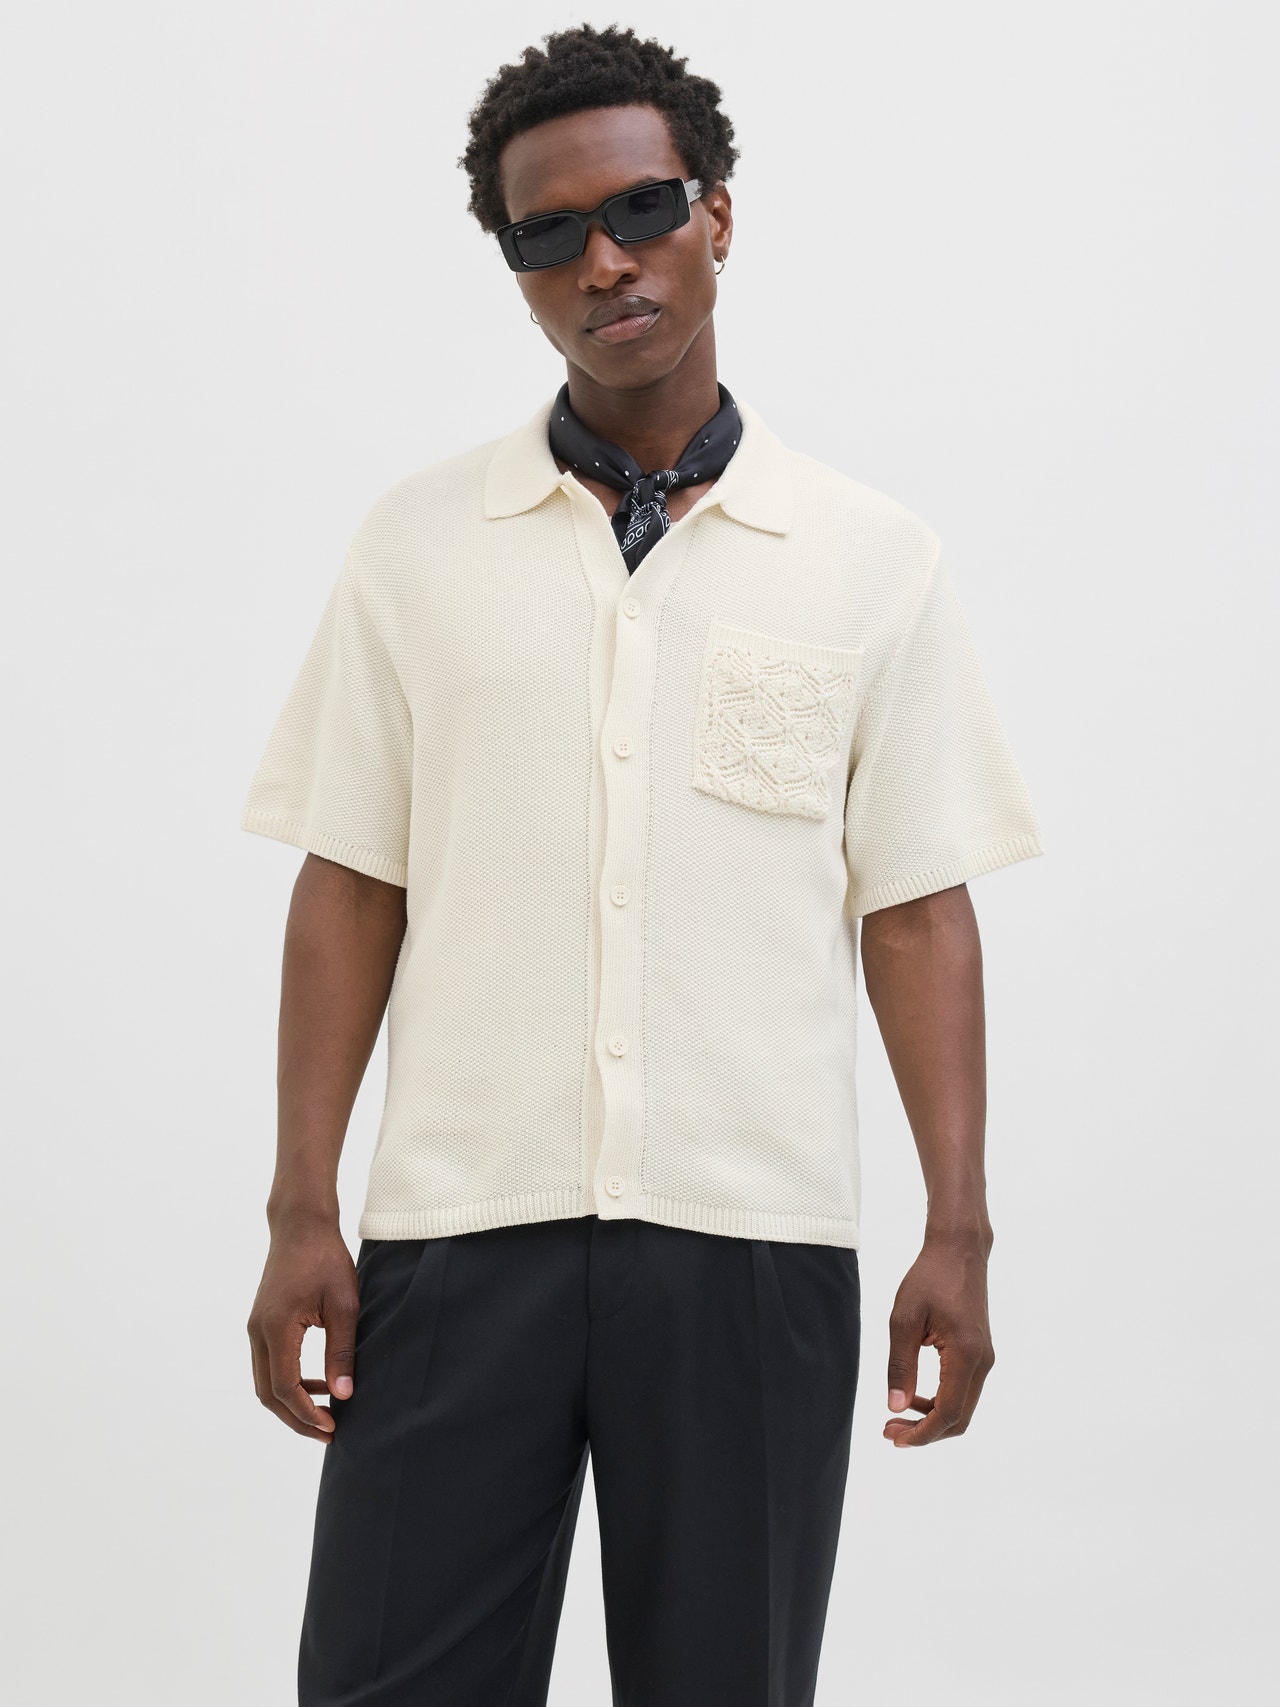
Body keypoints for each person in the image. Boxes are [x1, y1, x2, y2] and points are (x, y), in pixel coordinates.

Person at [241, 22, 1045, 1706]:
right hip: (460, 1233)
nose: (603, 260)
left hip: (751, 1242)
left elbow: (916, 910)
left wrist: (958, 1229)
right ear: (517, 269)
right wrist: (303, 1205)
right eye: (547, 232)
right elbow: (353, 883)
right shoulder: (416, 548)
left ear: (717, 216)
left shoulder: (868, 560)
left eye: (642, 209)